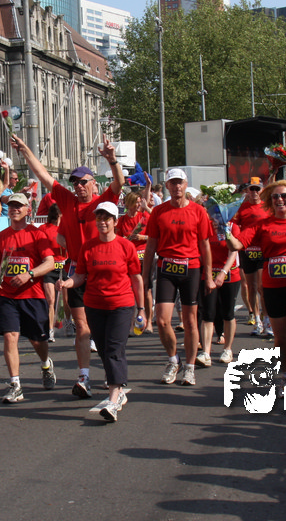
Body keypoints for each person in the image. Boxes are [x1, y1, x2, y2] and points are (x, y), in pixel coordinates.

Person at [11, 132, 123, 399]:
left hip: (103, 269)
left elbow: (119, 183)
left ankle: (112, 374)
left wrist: (112, 160)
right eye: (74, 182)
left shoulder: (103, 202)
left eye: (83, 182)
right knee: (82, 326)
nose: (78, 186)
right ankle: (83, 377)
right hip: (76, 270)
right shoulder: (67, 201)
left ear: (93, 183)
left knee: (104, 331)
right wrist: (25, 149)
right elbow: (43, 175)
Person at [232, 179, 286, 406]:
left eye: (284, 196)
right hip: (273, 287)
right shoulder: (262, 224)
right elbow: (237, 245)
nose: (280, 200)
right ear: (270, 201)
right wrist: (223, 227)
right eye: (275, 197)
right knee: (281, 339)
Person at [60, 202, 144, 422]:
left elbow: (136, 278)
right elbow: (80, 276)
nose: (102, 222)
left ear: (115, 221)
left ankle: (113, 399)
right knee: (105, 350)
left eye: (107, 218)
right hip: (95, 306)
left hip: (121, 305)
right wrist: (68, 283)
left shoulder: (126, 246)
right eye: (99, 218)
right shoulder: (88, 247)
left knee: (115, 349)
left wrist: (142, 309)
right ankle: (119, 389)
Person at [141, 168, 212, 387]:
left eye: (180, 182)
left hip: (191, 267)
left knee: (190, 321)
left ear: (185, 184)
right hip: (166, 267)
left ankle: (190, 367)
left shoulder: (198, 211)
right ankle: (174, 360)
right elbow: (150, 246)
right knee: (162, 320)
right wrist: (145, 277)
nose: (177, 186)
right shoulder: (159, 212)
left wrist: (209, 276)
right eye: (172, 183)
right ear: (167, 186)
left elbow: (205, 245)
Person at [0, 193, 56, 404]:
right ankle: (15, 384)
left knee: (37, 340)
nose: (14, 209)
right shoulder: (2, 236)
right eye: (11, 206)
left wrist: (30, 274)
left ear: (28, 210)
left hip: (32, 295)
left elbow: (50, 263)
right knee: (10, 336)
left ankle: (46, 364)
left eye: (19, 206)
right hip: (8, 295)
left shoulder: (37, 234)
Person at [231, 176, 271, 338]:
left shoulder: (268, 207)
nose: (254, 192)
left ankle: (267, 320)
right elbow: (234, 224)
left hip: (263, 251)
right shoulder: (242, 207)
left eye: (257, 189)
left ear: (262, 190)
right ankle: (256, 320)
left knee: (262, 287)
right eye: (251, 189)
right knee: (251, 287)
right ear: (247, 190)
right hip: (247, 250)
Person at [200, 217, 241, 366]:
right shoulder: (207, 226)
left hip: (229, 274)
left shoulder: (232, 227)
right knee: (208, 313)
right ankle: (206, 352)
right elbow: (201, 250)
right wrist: (207, 274)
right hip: (209, 274)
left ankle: (227, 349)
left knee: (228, 313)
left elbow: (233, 251)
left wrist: (223, 273)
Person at [116, 190, 153, 333]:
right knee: (130, 291)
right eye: (136, 202)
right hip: (129, 258)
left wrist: (143, 238)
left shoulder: (145, 217)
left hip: (144, 257)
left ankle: (148, 322)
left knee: (146, 289)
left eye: (139, 202)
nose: (138, 205)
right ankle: (131, 323)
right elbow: (117, 239)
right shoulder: (122, 220)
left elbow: (155, 236)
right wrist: (125, 240)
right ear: (128, 203)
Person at [39, 203, 67, 342]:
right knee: (51, 300)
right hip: (50, 268)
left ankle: (67, 323)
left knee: (66, 301)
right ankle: (50, 330)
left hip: (64, 266)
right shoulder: (44, 228)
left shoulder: (66, 228)